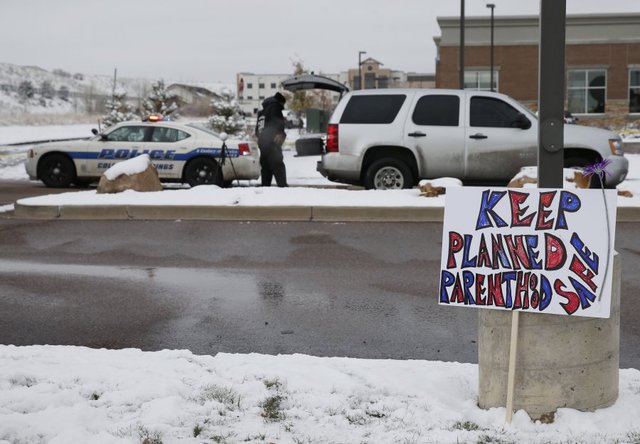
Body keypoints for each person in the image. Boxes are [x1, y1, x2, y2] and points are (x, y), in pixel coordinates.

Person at [255, 92, 288, 187]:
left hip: (262, 144)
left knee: (266, 169)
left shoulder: (262, 112)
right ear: (280, 102)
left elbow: (257, 130)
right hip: (272, 144)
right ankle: (284, 189)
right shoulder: (275, 107)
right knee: (278, 167)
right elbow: (278, 123)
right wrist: (281, 133)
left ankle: (265, 189)